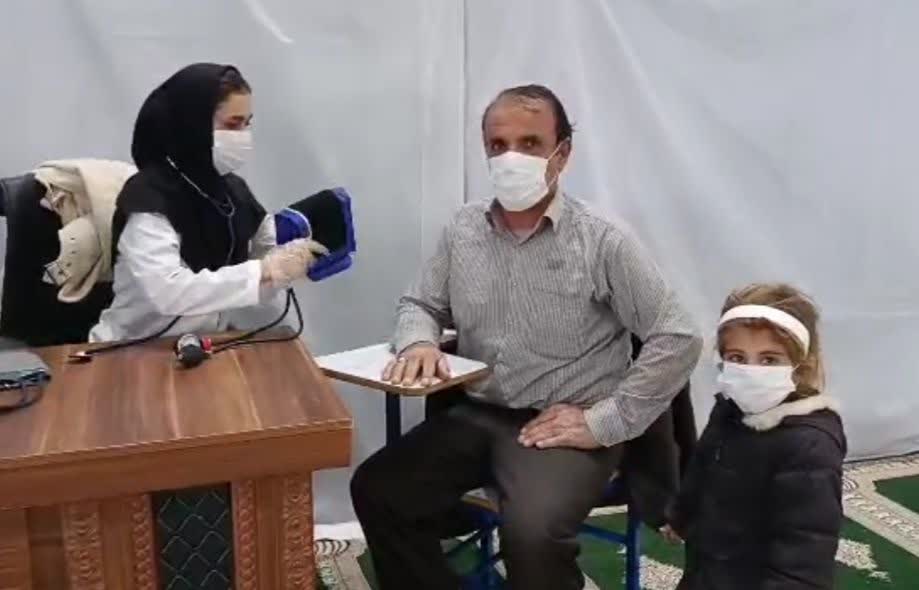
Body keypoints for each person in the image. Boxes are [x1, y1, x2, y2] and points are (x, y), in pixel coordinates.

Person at [350, 84, 703, 590]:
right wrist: (419, 342)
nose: (511, 157)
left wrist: (604, 422)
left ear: (563, 153)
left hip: (564, 426)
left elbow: (678, 336)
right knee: (378, 488)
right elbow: (420, 303)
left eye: (531, 143)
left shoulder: (602, 239)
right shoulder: (464, 230)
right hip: (480, 413)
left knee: (533, 535)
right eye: (498, 145)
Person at [90, 63, 325, 342]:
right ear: (193, 124)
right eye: (232, 125)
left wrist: (291, 260)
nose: (243, 136)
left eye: (247, 124)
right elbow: (168, 292)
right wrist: (264, 271)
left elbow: (261, 264)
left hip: (205, 345)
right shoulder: (148, 198)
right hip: (129, 350)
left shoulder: (233, 192)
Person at [663, 283, 846, 589]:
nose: (750, 371)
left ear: (802, 365)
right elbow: (703, 467)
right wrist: (682, 516)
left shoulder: (810, 445)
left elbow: (805, 554)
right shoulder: (729, 410)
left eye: (769, 360)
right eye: (737, 357)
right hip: (710, 568)